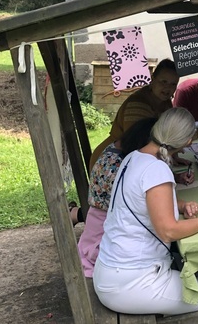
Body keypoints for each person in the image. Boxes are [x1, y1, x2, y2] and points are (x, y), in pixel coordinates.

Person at [93, 108, 198, 315]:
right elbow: (168, 231)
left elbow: (141, 200)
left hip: (112, 272)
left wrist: (180, 205)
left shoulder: (134, 157)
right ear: (188, 142)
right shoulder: (156, 169)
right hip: (133, 282)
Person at [77, 117, 157, 277]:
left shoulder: (115, 151)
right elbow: (148, 202)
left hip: (101, 229)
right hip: (102, 243)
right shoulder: (116, 168)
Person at [89, 59, 179, 170]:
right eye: (163, 82)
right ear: (153, 79)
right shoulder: (138, 104)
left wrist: (173, 156)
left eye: (173, 84)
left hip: (130, 162)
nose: (168, 88)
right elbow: (140, 146)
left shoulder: (165, 102)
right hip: (112, 164)